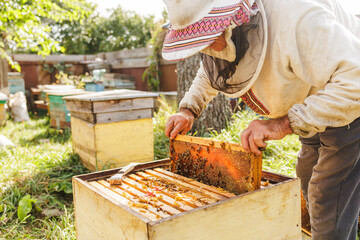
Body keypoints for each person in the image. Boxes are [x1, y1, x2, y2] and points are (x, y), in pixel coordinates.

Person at [161, 0, 360, 239]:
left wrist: (281, 124)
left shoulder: (298, 17)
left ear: (230, 18)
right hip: (310, 96)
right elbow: (216, 63)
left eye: (207, 37)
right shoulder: (228, 33)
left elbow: (354, 83)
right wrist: (188, 109)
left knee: (327, 193)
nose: (206, 47)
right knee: (307, 175)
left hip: (347, 99)